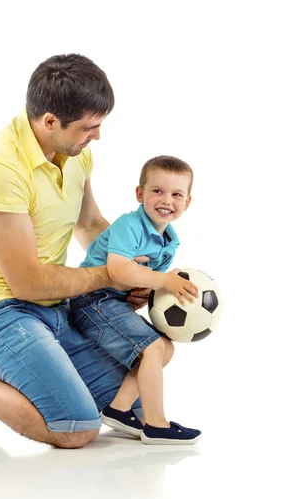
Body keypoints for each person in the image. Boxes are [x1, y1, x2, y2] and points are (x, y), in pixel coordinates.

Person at [0, 54, 154, 449]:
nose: (97, 137)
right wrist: (112, 276)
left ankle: (4, 376)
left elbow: (89, 224)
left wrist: (137, 271)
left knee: (136, 408)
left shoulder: (75, 152)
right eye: (89, 127)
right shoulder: (0, 168)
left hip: (52, 304)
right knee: (76, 428)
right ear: (50, 121)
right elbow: (25, 282)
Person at [68, 156, 202, 444]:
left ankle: (119, 409)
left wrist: (157, 288)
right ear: (140, 194)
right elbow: (117, 269)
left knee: (165, 348)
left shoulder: (170, 240)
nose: (167, 200)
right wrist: (165, 280)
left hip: (114, 304)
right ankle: (155, 425)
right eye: (157, 191)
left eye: (177, 194)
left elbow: (142, 280)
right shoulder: (129, 225)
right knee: (152, 348)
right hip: (91, 300)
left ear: (187, 202)